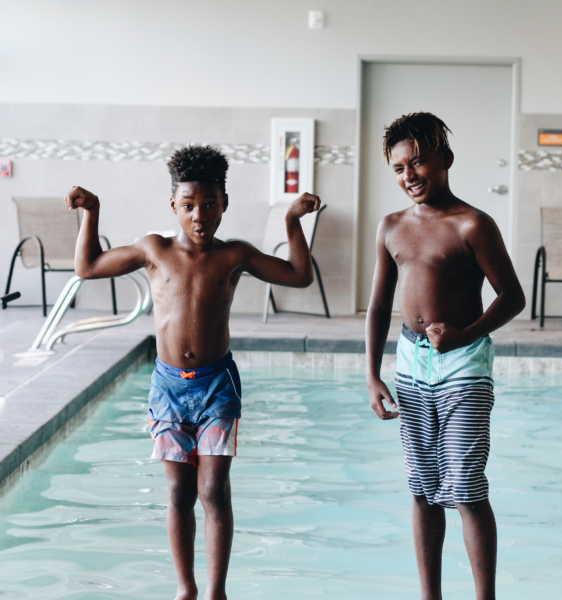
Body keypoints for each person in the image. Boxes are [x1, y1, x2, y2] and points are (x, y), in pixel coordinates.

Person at [66, 145, 320, 600]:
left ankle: (216, 591)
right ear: (173, 207)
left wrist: (292, 223)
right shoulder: (153, 250)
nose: (199, 216)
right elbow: (87, 268)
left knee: (213, 489)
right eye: (188, 207)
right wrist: (92, 213)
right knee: (179, 493)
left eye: (208, 205)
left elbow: (299, 276)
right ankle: (186, 589)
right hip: (167, 389)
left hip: (217, 386)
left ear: (224, 203)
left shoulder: (234, 255)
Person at [365, 112, 525, 600]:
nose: (409, 176)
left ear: (445, 160)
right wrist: (372, 374)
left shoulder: (473, 224)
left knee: (465, 484)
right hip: (411, 365)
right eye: (398, 168)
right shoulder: (391, 227)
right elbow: (378, 304)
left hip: (464, 367)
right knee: (421, 484)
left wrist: (465, 334)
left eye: (418, 163)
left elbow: (513, 296)